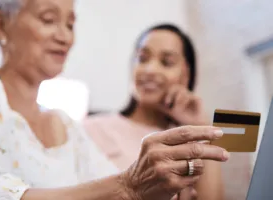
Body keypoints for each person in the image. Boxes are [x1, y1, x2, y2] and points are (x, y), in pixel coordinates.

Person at [0, 0, 230, 200]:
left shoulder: (65, 125)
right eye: (48, 19)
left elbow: (118, 184)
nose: (65, 37)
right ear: (0, 24)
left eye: (71, 24)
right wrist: (128, 188)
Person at [84, 24, 224, 200]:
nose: (150, 70)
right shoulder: (90, 129)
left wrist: (201, 126)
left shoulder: (189, 141)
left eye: (166, 62)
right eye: (142, 59)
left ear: (186, 75)